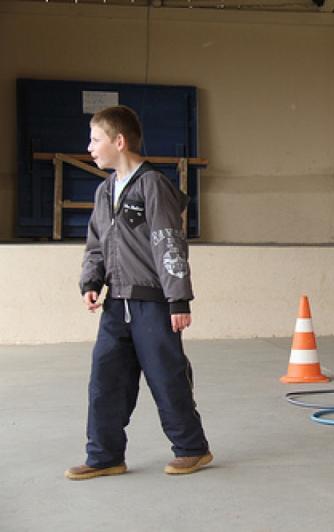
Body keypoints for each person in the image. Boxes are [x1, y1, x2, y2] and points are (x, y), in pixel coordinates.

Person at [65, 106, 211, 480]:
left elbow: (169, 243)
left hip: (154, 304)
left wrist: (178, 298)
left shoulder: (153, 186)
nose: (90, 147)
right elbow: (96, 243)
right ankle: (104, 455)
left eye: (95, 139)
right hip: (116, 306)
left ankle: (192, 449)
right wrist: (91, 282)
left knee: (167, 377)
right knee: (105, 380)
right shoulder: (104, 191)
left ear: (119, 141)